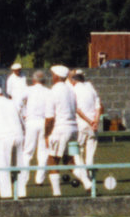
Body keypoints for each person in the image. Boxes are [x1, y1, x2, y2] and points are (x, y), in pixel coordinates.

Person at [0, 85, 27, 199]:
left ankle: (6, 195)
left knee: (3, 168)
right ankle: (21, 193)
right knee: (19, 166)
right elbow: (22, 120)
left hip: (2, 138)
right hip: (18, 135)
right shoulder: (12, 102)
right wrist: (24, 135)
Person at [46, 65, 79, 195]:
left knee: (52, 160)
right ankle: (88, 184)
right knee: (69, 160)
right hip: (73, 129)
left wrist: (46, 134)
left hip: (60, 129)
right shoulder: (71, 90)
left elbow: (49, 118)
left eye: (52, 75)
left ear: (56, 76)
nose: (51, 77)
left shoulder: (53, 91)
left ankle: (56, 193)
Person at [23, 69, 56, 187]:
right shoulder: (49, 91)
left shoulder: (28, 90)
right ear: (44, 81)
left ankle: (24, 179)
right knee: (43, 152)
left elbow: (18, 102)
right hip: (44, 122)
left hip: (31, 122)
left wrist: (24, 113)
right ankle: (39, 180)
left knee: (27, 152)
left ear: (33, 80)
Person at [71, 68, 103, 187]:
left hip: (81, 125)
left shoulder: (74, 90)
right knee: (90, 155)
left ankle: (85, 178)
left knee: (77, 152)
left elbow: (77, 110)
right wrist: (95, 121)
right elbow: (98, 107)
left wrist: (90, 121)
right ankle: (90, 179)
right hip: (93, 126)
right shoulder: (90, 87)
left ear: (74, 79)